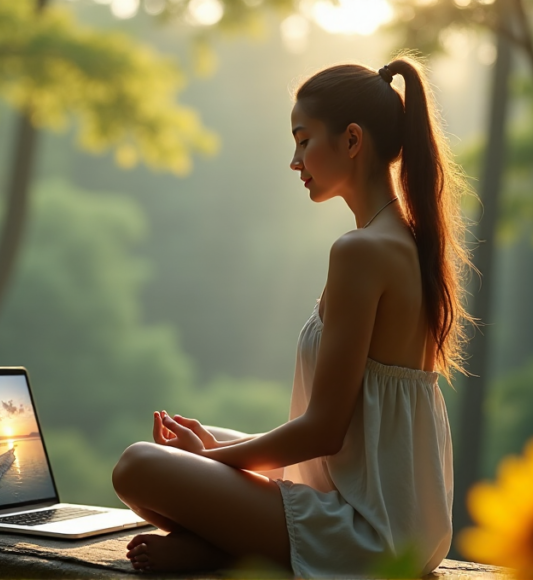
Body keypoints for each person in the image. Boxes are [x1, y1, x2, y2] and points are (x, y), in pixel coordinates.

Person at [110, 56, 475, 577]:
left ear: (352, 140)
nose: (295, 159)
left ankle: (228, 547)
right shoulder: (409, 239)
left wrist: (208, 464)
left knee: (138, 466)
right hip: (407, 523)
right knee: (193, 440)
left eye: (304, 140)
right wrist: (214, 450)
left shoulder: (361, 251)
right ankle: (227, 545)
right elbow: (347, 434)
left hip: (371, 533)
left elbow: (322, 432)